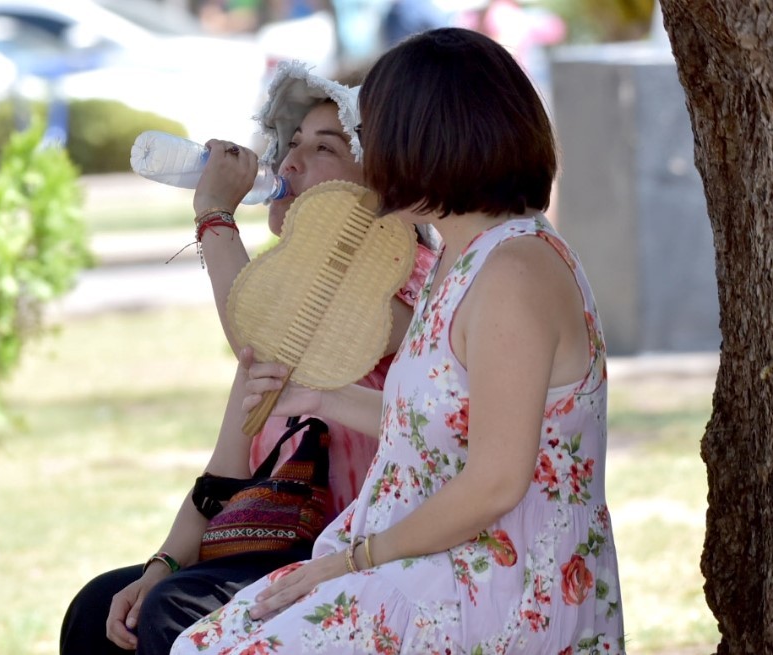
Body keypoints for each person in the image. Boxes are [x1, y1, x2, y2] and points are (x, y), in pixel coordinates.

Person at [171, 27, 624, 653]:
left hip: (496, 586)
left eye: (375, 131)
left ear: (423, 140)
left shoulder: (515, 271)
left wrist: (353, 560)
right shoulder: (467, 256)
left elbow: (496, 480)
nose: (370, 151)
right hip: (440, 568)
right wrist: (319, 399)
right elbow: (446, 425)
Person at [59, 61, 437, 655]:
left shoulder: (406, 282)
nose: (288, 164)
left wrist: (214, 214)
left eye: (323, 148)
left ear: (381, 177)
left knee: (173, 612)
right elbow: (223, 476)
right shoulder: (284, 287)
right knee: (101, 610)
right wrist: (159, 563)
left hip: (360, 557)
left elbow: (266, 339)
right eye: (290, 145)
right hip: (274, 544)